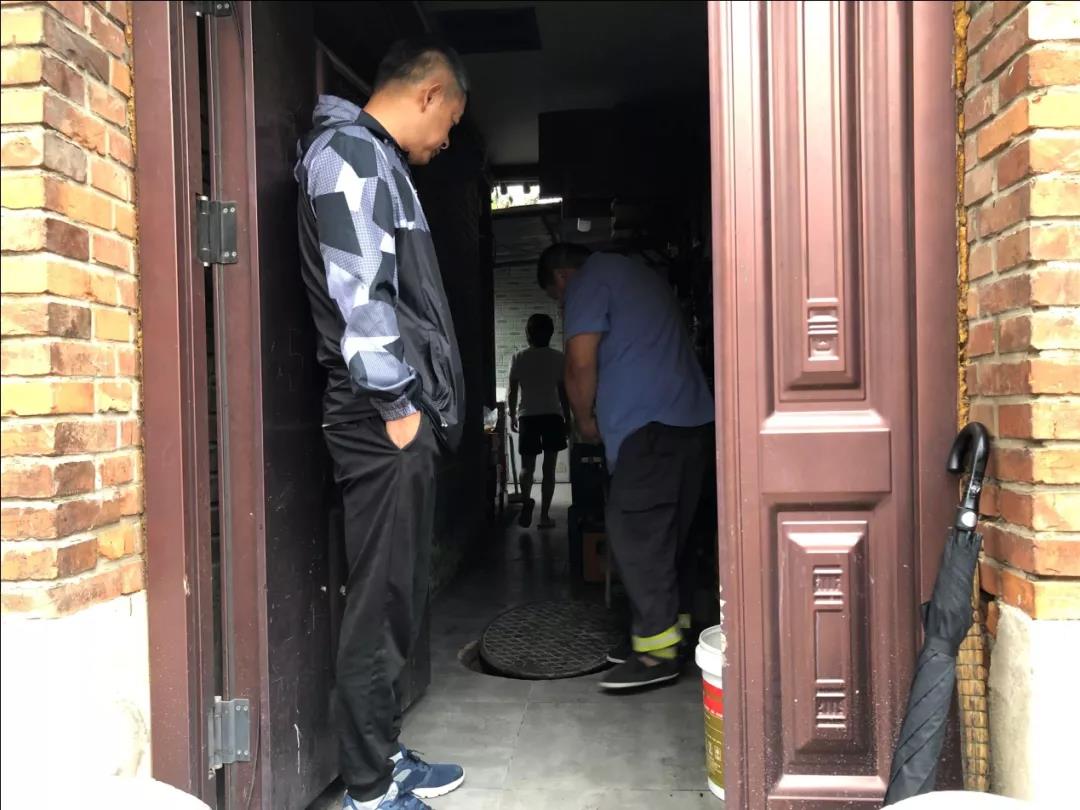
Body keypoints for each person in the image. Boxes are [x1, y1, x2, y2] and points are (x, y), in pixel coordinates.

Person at [295, 38, 469, 810]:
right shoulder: (352, 156)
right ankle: (368, 790)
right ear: (429, 93)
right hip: (378, 415)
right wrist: (398, 407)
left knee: (399, 594)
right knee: (380, 601)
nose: (447, 140)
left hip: (391, 414)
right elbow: (360, 292)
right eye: (451, 121)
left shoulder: (377, 160)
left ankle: (385, 756)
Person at [538, 243, 715, 691]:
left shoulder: (588, 281)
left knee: (635, 533)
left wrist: (584, 421)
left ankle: (656, 654)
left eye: (558, 299)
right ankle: (671, 633)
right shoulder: (638, 275)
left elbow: (579, 362)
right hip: (692, 423)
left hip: (648, 428)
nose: (564, 306)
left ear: (561, 278)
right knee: (672, 536)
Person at [508, 313, 571, 529]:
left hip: (528, 415)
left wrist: (512, 415)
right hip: (553, 415)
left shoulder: (519, 357)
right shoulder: (558, 358)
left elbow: (512, 391)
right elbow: (563, 393)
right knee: (549, 468)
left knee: (527, 466)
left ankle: (526, 501)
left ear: (528, 333)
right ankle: (544, 517)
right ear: (550, 333)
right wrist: (568, 419)